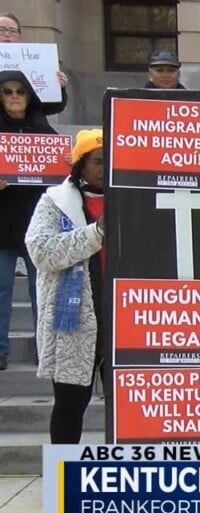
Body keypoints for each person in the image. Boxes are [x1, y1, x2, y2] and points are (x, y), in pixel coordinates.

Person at [24, 129, 105, 444]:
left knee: (130, 409)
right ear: (81, 165)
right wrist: (95, 233)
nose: (104, 168)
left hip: (123, 318)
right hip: (73, 325)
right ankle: (63, 479)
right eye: (98, 161)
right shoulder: (54, 202)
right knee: (70, 406)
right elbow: (42, 252)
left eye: (110, 161)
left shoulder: (131, 198)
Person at [0, 70, 58, 370]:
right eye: (7, 91)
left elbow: (61, 178)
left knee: (43, 289)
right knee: (0, 287)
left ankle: (44, 347)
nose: (13, 96)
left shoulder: (44, 133)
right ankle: (0, 350)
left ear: (29, 96)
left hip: (36, 225)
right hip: (2, 225)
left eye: (20, 91)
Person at [0, 13, 69, 116]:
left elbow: (53, 108)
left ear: (19, 36)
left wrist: (60, 88)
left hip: (30, 125)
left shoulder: (38, 61)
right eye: (1, 29)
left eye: (12, 31)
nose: (7, 34)